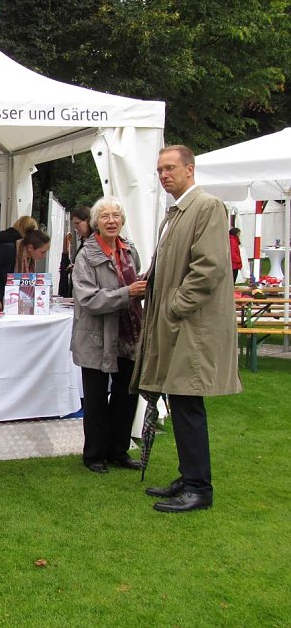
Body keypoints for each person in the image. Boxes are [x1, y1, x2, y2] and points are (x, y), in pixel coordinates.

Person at [133, 145, 242, 513]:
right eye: (160, 170)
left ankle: (198, 487)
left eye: (170, 168)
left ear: (189, 170)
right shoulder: (177, 212)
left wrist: (176, 305)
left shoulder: (206, 206)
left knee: (187, 401)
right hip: (178, 325)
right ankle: (189, 476)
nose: (164, 175)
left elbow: (209, 267)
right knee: (179, 401)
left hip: (191, 326)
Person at [70, 197, 147, 473]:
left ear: (122, 221)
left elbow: (134, 282)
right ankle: (94, 454)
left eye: (116, 215)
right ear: (95, 223)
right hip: (95, 338)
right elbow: (88, 299)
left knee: (127, 396)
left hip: (128, 336)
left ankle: (118, 450)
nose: (111, 220)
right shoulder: (86, 256)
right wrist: (128, 293)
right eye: (105, 216)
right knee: (96, 399)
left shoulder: (130, 251)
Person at [0, 228, 51, 312]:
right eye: (42, 252)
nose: (44, 256)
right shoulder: (6, 251)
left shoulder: (28, 260)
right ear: (30, 247)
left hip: (0, 300)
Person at [58, 205, 93, 297]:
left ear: (88, 221)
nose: (76, 228)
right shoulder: (85, 242)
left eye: (78, 223)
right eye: (74, 224)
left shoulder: (94, 244)